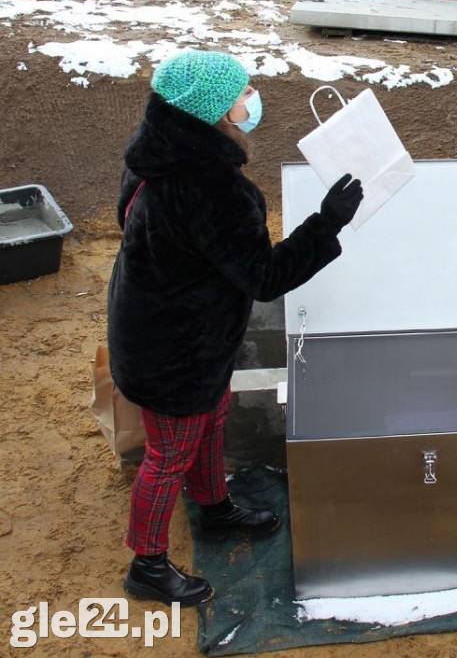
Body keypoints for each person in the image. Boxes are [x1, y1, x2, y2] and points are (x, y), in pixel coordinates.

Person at [107, 50, 364, 606]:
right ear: (218, 110)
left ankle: (214, 504)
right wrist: (327, 222)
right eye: (244, 92)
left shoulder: (158, 151)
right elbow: (265, 276)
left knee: (211, 420)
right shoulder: (210, 186)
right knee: (167, 453)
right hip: (173, 349)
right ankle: (147, 564)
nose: (253, 99)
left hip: (180, 331)